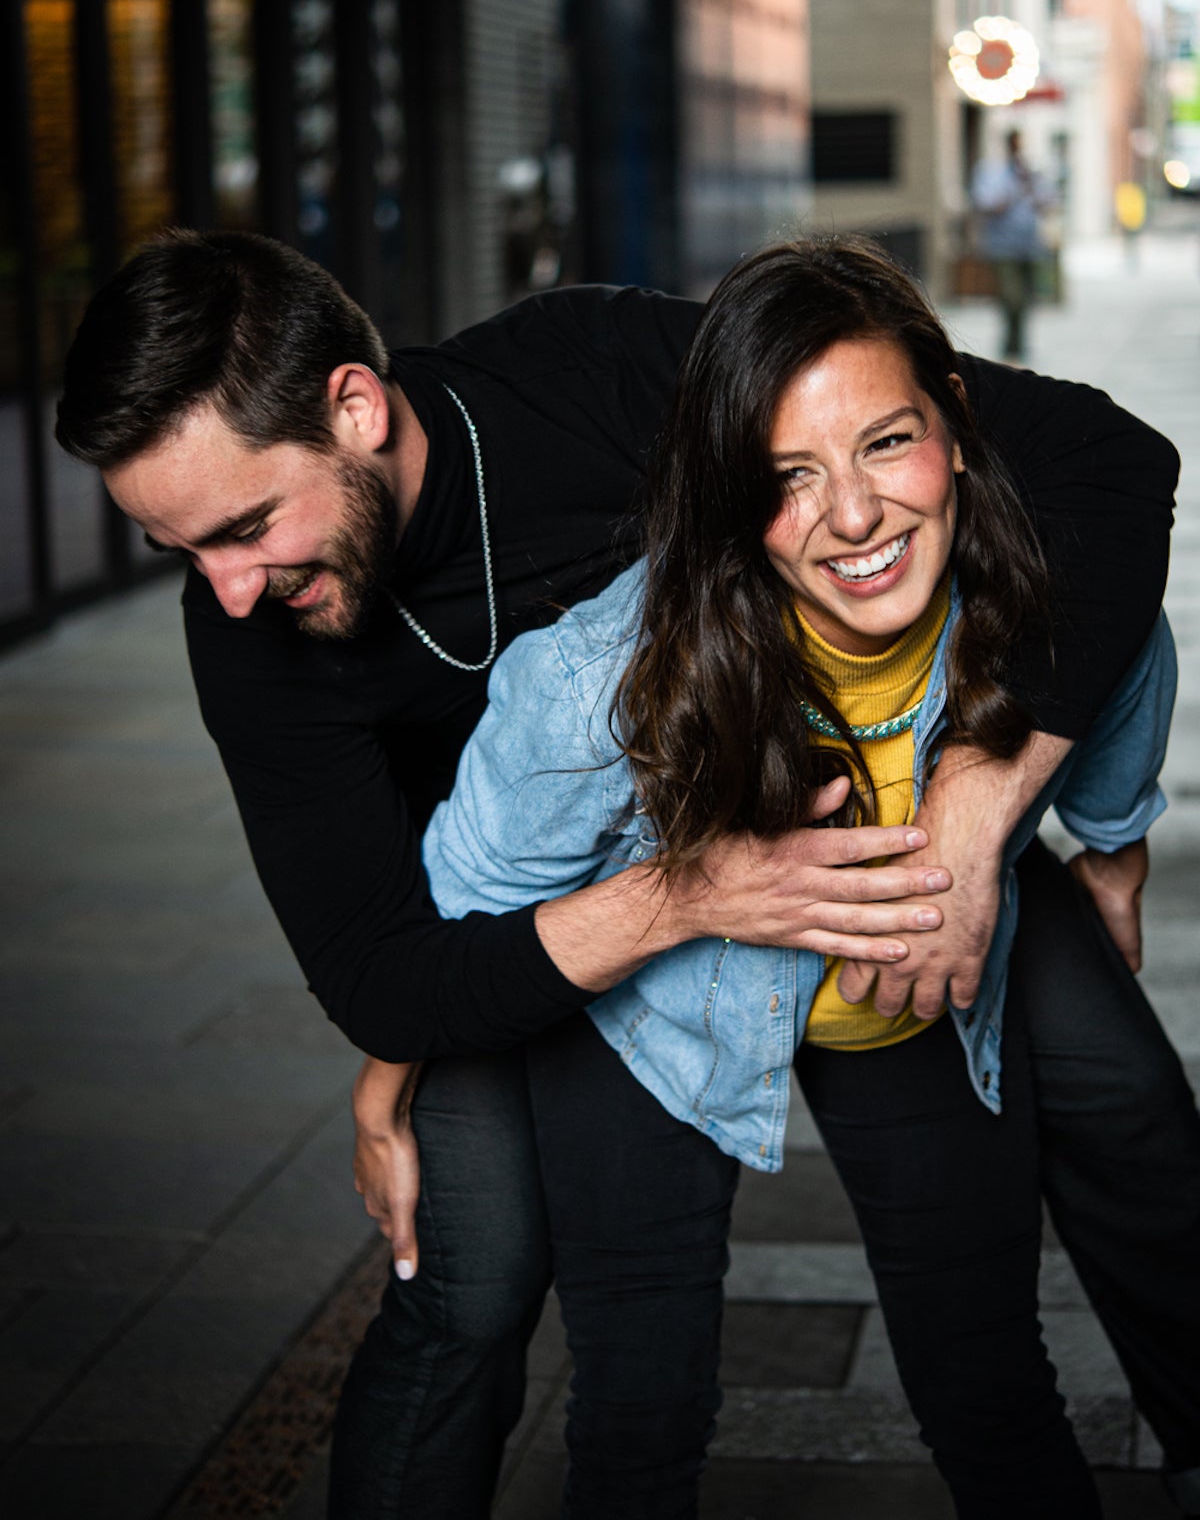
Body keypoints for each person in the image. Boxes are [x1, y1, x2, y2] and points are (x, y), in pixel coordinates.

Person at [54, 229, 1184, 1519]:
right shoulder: (256, 631)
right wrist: (681, 904)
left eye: (247, 526)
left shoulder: (589, 369)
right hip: (504, 926)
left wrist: (999, 812)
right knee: (471, 1274)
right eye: (184, 552)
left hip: (836, 845)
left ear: (355, 408)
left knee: (1124, 1094)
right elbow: (389, 971)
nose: (229, 590)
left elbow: (1102, 473)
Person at [424, 236, 1200, 1519]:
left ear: (957, 423)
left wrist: (1109, 860)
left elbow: (1118, 720)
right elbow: (462, 902)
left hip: (912, 997)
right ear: (729, 497)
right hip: (648, 1027)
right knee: (639, 1411)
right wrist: (394, 1074)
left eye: (886, 443)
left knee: (991, 1379)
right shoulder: (598, 682)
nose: (853, 516)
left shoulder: (1065, 612)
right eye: (788, 476)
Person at [971, 127, 1055, 360]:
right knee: (1011, 297)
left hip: (1029, 245)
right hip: (1002, 247)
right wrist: (1013, 188)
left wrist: (1031, 186)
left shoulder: (1031, 172)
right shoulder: (991, 172)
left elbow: (1047, 203)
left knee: (1026, 298)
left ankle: (1019, 345)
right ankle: (1009, 346)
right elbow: (987, 205)